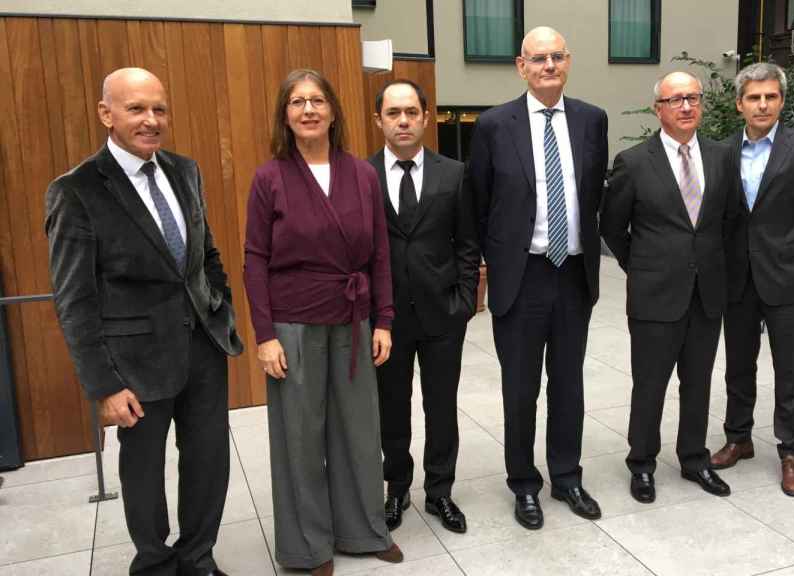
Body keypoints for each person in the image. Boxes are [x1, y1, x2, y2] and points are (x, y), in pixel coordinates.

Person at [45, 67, 243, 576]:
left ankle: (198, 558)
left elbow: (206, 253)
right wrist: (104, 385)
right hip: (134, 366)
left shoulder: (185, 170)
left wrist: (218, 306)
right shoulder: (77, 191)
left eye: (159, 108)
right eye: (136, 109)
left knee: (207, 464)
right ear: (106, 114)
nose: (151, 120)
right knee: (143, 476)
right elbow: (74, 300)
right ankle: (154, 565)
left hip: (202, 349)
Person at [243, 69, 402, 575]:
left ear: (334, 111)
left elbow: (379, 252)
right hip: (293, 322)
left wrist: (385, 319)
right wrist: (265, 336)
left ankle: (362, 529)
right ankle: (307, 546)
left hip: (354, 320)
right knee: (301, 437)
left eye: (317, 101)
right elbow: (253, 260)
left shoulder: (362, 174)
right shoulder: (269, 178)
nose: (308, 110)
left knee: (358, 430)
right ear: (285, 116)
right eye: (296, 102)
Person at [468, 26, 608, 529]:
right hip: (521, 276)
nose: (548, 66)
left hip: (572, 274)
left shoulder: (593, 121)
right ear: (520, 66)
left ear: (568, 62)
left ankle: (567, 476)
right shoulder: (492, 125)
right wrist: (491, 264)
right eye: (538, 59)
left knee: (568, 385)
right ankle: (523, 483)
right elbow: (478, 204)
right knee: (520, 388)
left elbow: (594, 197)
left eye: (557, 57)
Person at [601, 71, 742, 502]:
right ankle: (641, 463)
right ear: (657, 108)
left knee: (698, 382)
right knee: (650, 384)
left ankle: (694, 459)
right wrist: (643, 266)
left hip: (707, 294)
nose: (686, 106)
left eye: (693, 98)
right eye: (675, 99)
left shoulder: (721, 157)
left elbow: (731, 222)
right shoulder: (633, 161)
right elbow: (611, 227)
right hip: (655, 295)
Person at [713, 62, 794, 497]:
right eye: (753, 97)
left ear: (781, 100)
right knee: (738, 366)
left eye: (770, 96)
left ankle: (790, 451)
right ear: (739, 103)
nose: (762, 104)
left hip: (787, 279)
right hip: (738, 280)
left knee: (790, 369)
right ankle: (738, 438)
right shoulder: (722, 152)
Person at [370, 79, 479, 534]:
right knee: (391, 409)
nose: (402, 121)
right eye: (393, 113)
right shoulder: (361, 175)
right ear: (379, 120)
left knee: (441, 407)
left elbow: (468, 242)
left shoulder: (454, 174)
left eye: (411, 112)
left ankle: (440, 492)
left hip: (442, 314)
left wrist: (466, 299)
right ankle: (397, 489)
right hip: (387, 321)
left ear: (425, 117)